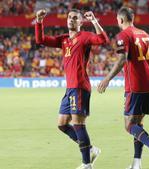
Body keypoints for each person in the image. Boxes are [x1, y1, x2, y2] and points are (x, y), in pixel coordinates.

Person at [35, 9, 109, 169]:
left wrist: (95, 21)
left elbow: (103, 40)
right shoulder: (63, 40)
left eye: (75, 18)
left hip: (80, 87)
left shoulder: (85, 37)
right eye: (69, 17)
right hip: (70, 88)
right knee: (62, 124)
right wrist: (39, 21)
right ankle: (90, 149)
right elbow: (40, 40)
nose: (71, 20)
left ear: (81, 22)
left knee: (78, 124)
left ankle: (86, 164)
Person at [97, 7, 149, 169]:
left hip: (136, 84)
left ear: (120, 20)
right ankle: (137, 163)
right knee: (138, 123)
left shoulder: (123, 35)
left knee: (129, 125)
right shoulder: (145, 34)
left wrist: (107, 79)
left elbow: (122, 59)